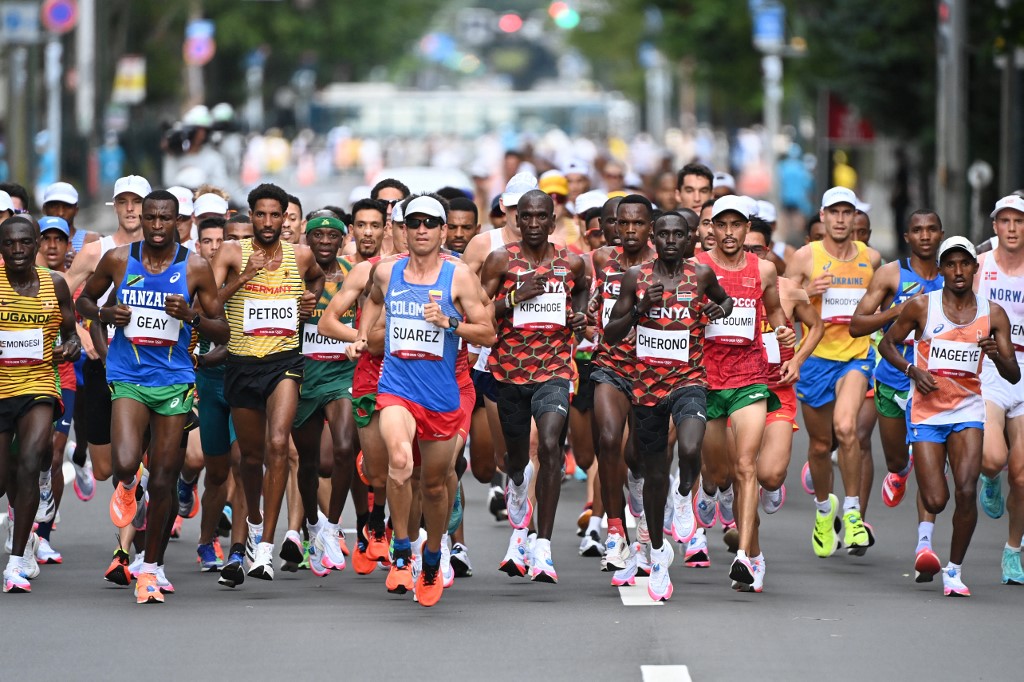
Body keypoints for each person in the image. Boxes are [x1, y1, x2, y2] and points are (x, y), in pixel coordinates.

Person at [76, 191, 229, 603]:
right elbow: (86, 301)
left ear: (179, 222)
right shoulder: (119, 260)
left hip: (174, 381)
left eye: (166, 219)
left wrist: (191, 317)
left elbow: (222, 332)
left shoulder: (194, 266)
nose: (158, 225)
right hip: (127, 375)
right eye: (151, 218)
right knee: (126, 462)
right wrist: (105, 315)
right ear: (141, 218)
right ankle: (129, 489)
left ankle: (151, 567)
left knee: (163, 477)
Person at [350, 195, 495, 606]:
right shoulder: (386, 272)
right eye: (413, 222)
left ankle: (431, 557)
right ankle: (400, 551)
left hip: (442, 394)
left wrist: (449, 322)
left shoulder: (459, 277)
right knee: (399, 462)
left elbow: (488, 333)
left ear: (443, 231)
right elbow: (374, 304)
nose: (422, 229)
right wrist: (364, 337)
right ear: (404, 229)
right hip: (397, 387)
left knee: (433, 486)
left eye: (431, 222)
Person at [879, 236, 1020, 596]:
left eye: (965, 264)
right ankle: (927, 528)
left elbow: (1013, 374)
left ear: (975, 269)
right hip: (927, 412)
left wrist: (996, 353)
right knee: (936, 499)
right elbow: (886, 344)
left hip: (968, 410)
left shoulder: (993, 314)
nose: (958, 271)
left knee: (967, 490)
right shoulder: (921, 307)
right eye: (951, 264)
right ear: (941, 270)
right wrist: (912, 370)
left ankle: (954, 570)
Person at [603, 210, 732, 599]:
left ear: (689, 239)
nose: (672, 240)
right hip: (646, 390)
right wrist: (640, 308)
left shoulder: (702, 276)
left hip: (689, 380)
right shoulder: (635, 277)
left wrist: (716, 310)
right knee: (654, 475)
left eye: (679, 234)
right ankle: (658, 554)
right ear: (654, 239)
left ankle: (685, 495)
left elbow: (726, 304)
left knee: (691, 447)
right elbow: (611, 333)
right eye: (665, 235)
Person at [210, 183, 323, 584]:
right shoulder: (231, 252)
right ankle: (253, 522)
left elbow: (318, 280)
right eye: (262, 214)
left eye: (277, 215)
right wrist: (248, 275)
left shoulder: (301, 255)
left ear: (285, 218)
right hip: (241, 364)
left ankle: (264, 548)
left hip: (284, 363)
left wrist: (308, 305)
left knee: (279, 445)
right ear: (251, 215)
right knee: (249, 459)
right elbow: (210, 303)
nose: (270, 222)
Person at [480, 190, 588, 583]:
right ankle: (517, 485)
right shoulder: (500, 260)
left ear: (552, 220)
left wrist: (578, 317)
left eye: (541, 217)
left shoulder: (570, 261)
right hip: (508, 372)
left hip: (555, 369)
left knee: (549, 445)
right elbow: (477, 311)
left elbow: (583, 291)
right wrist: (511, 298)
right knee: (515, 459)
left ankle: (542, 545)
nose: (533, 224)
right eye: (526, 217)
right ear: (517, 220)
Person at [695, 196, 796, 591]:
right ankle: (708, 492)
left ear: (746, 227)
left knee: (746, 465)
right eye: (722, 225)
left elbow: (774, 314)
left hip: (749, 377)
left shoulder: (764, 270)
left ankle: (748, 555)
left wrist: (783, 333)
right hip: (706, 378)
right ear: (713, 229)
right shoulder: (699, 268)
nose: (730, 232)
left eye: (737, 225)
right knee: (718, 472)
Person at [63, 175, 153, 583]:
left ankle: (123, 551)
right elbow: (61, 290)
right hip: (101, 370)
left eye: (138, 202)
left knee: (128, 465)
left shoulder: (163, 255)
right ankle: (141, 493)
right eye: (125, 202)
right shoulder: (97, 250)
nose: (131, 209)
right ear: (114, 207)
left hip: (148, 370)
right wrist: (80, 333)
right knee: (102, 468)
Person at [787, 187, 881, 559]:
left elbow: (884, 303)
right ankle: (825, 510)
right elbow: (778, 303)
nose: (841, 219)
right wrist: (807, 291)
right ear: (823, 216)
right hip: (814, 360)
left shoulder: (871, 258)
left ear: (855, 217)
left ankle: (854, 513)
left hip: (856, 358)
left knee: (847, 428)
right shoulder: (805, 257)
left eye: (848, 213)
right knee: (821, 445)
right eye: (834, 213)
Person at [850, 209, 944, 580]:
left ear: (940, 234)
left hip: (935, 385)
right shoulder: (891, 274)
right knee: (895, 461)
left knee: (930, 466)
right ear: (906, 236)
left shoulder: (954, 278)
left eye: (931, 229)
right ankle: (899, 470)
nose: (925, 236)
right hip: (891, 377)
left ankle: (924, 544)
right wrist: (897, 312)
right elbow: (857, 324)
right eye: (917, 230)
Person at [0, 216, 81, 593]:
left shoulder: (56, 285)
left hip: (38, 386)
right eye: (10, 243)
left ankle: (16, 563)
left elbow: (71, 336)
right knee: (6, 476)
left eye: (24, 243)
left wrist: (70, 347)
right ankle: (25, 531)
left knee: (33, 461)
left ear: (35, 245)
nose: (17, 250)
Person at [589, 195, 655, 573]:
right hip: (611, 364)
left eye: (637, 223)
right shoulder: (602, 259)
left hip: (654, 370)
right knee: (609, 440)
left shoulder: (665, 264)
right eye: (621, 223)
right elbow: (597, 303)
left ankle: (643, 512)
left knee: (639, 456)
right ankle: (616, 531)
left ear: (650, 227)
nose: (628, 230)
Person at [744, 219, 823, 521]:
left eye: (757, 249)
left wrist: (797, 360)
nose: (751, 255)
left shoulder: (788, 289)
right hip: (735, 389)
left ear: (767, 251)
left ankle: (771, 487)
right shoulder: (722, 286)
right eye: (745, 248)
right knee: (733, 470)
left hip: (777, 389)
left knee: (771, 474)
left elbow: (816, 326)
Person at [290, 215, 356, 577]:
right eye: (318, 235)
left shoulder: (354, 273)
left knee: (345, 447)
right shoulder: (294, 272)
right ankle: (312, 523)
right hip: (302, 377)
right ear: (307, 238)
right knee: (309, 462)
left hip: (341, 375)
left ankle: (332, 527)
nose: (326, 241)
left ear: (343, 240)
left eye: (333, 235)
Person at [973, 195, 1024, 585]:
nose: (1011, 228)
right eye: (1004, 221)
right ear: (995, 227)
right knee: (992, 459)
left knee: (1022, 477)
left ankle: (1012, 550)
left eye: (1018, 222)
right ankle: (989, 478)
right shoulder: (982, 265)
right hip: (989, 366)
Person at [41, 182, 99, 269]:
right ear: (44, 209)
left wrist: (83, 266)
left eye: (67, 206)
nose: (60, 213)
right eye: (54, 206)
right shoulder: (31, 241)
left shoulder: (92, 241)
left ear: (76, 210)